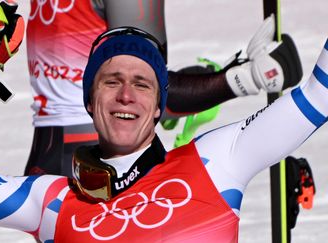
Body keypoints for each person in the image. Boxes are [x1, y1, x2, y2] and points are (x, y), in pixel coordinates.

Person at [0, 7, 327, 240]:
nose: (126, 95)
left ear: (160, 105)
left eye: (142, 85)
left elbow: (318, 96)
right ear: (90, 99)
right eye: (112, 82)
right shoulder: (50, 200)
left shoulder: (217, 161)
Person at [24, 0, 302, 177]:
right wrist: (249, 78)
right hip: (101, 164)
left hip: (47, 159)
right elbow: (154, 101)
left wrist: (216, 76)